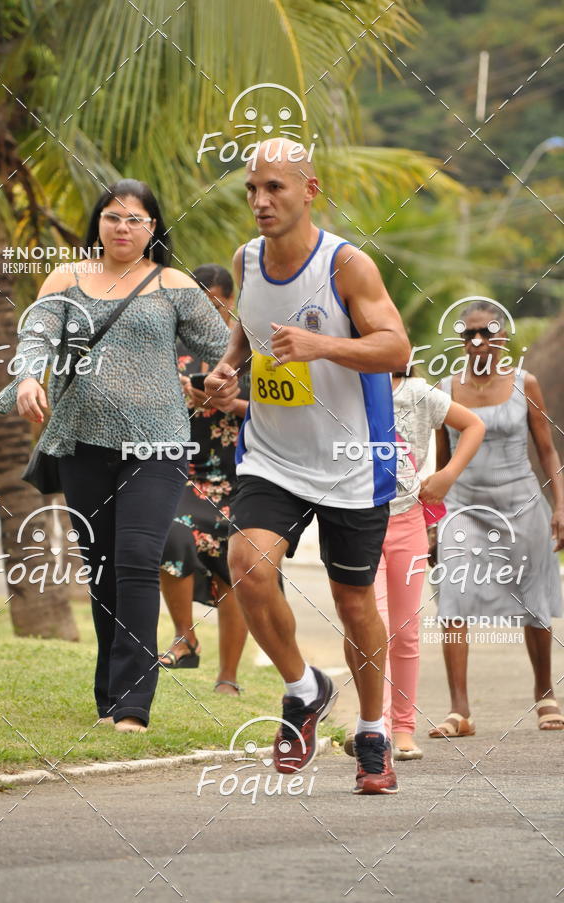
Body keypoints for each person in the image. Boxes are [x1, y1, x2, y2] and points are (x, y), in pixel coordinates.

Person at [205, 138, 411, 795]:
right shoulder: (247, 260)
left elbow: (397, 347)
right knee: (248, 565)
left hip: (352, 460)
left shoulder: (346, 265)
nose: (262, 201)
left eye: (276, 188)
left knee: (355, 603)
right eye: (252, 190)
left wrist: (322, 343)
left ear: (309, 190)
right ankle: (305, 687)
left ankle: (373, 729)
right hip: (273, 455)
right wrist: (227, 366)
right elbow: (250, 324)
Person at [0, 179, 229, 733]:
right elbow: (38, 335)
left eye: (136, 219)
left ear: (153, 227)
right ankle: (109, 692)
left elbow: (225, 348)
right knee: (102, 573)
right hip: (84, 443)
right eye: (113, 217)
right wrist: (29, 376)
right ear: (98, 222)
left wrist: (210, 380)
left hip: (158, 442)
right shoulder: (66, 278)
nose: (123, 227)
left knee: (137, 560)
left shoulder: (173, 284)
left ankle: (132, 705)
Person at [430, 299, 564, 738]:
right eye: (469, 334)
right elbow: (443, 459)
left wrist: (559, 505)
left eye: (487, 333)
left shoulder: (526, 384)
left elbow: (547, 450)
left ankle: (545, 693)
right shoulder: (446, 390)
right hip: (464, 507)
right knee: (452, 596)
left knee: (533, 600)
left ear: (503, 339)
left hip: (522, 504)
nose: (478, 342)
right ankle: (459, 710)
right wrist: (434, 519)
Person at [344, 370, 484, 761]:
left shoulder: (419, 393)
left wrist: (446, 475)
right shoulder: (346, 387)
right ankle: (377, 726)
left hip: (408, 523)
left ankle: (404, 728)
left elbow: (474, 425)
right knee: (374, 624)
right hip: (357, 521)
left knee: (405, 632)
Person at [158, 264, 249, 696]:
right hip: (183, 473)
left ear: (230, 303)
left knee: (236, 568)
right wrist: (179, 389)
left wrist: (227, 402)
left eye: (217, 303)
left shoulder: (251, 349)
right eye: (200, 302)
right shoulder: (168, 347)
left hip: (240, 477)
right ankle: (185, 638)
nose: (208, 311)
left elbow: (279, 413)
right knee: (170, 537)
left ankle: (227, 677)